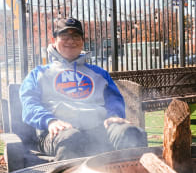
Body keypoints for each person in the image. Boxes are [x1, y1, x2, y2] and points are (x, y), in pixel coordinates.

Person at [20, 17, 147, 160]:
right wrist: (50, 121)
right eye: (65, 36)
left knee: (129, 133)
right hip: (58, 132)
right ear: (53, 40)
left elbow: (113, 100)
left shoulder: (99, 74)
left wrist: (113, 116)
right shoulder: (39, 74)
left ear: (82, 41)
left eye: (76, 36)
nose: (71, 41)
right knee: (72, 138)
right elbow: (29, 104)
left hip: (98, 129)